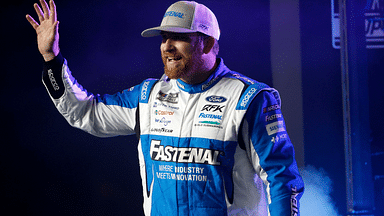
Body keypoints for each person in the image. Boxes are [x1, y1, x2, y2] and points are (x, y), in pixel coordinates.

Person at [26, 0, 304, 215]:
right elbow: (86, 113)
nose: (167, 47)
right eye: (163, 38)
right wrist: (51, 57)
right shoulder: (148, 96)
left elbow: (282, 181)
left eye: (178, 38)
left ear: (207, 43)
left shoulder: (251, 98)